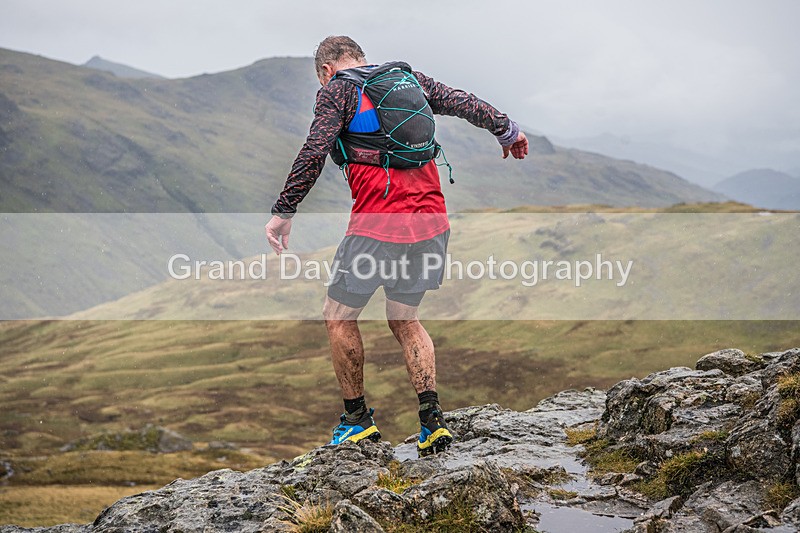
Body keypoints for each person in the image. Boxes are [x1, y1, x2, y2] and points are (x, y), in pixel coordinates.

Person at [265, 36, 528, 456]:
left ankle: (356, 421)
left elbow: (315, 149)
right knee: (406, 320)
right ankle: (432, 422)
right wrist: (507, 130)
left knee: (338, 317)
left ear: (326, 70)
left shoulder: (339, 90)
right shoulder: (406, 79)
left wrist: (284, 210)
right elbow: (462, 101)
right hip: (431, 223)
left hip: (378, 225)